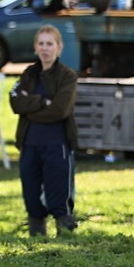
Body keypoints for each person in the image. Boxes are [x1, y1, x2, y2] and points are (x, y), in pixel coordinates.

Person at [10, 25, 79, 236]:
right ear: (35, 47)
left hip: (57, 145)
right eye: (41, 43)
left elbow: (60, 110)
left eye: (50, 44)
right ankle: (37, 235)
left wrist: (30, 108)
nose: (45, 48)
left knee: (59, 192)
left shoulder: (67, 76)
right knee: (31, 194)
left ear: (59, 47)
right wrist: (42, 101)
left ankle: (65, 233)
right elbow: (15, 103)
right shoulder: (28, 74)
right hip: (30, 143)